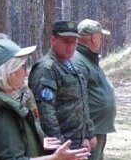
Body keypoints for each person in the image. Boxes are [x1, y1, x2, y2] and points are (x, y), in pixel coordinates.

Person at [29, 20, 96, 151]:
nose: (71, 47)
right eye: (66, 42)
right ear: (53, 40)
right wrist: (60, 147)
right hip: (61, 148)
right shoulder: (46, 69)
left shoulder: (72, 67)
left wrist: (88, 134)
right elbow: (45, 113)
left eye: (74, 42)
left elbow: (81, 103)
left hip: (78, 144)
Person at [72, 19, 117, 160]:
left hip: (97, 128)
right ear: (93, 38)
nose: (101, 40)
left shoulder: (88, 59)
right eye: (100, 36)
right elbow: (77, 100)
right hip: (90, 131)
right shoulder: (79, 61)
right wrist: (87, 132)